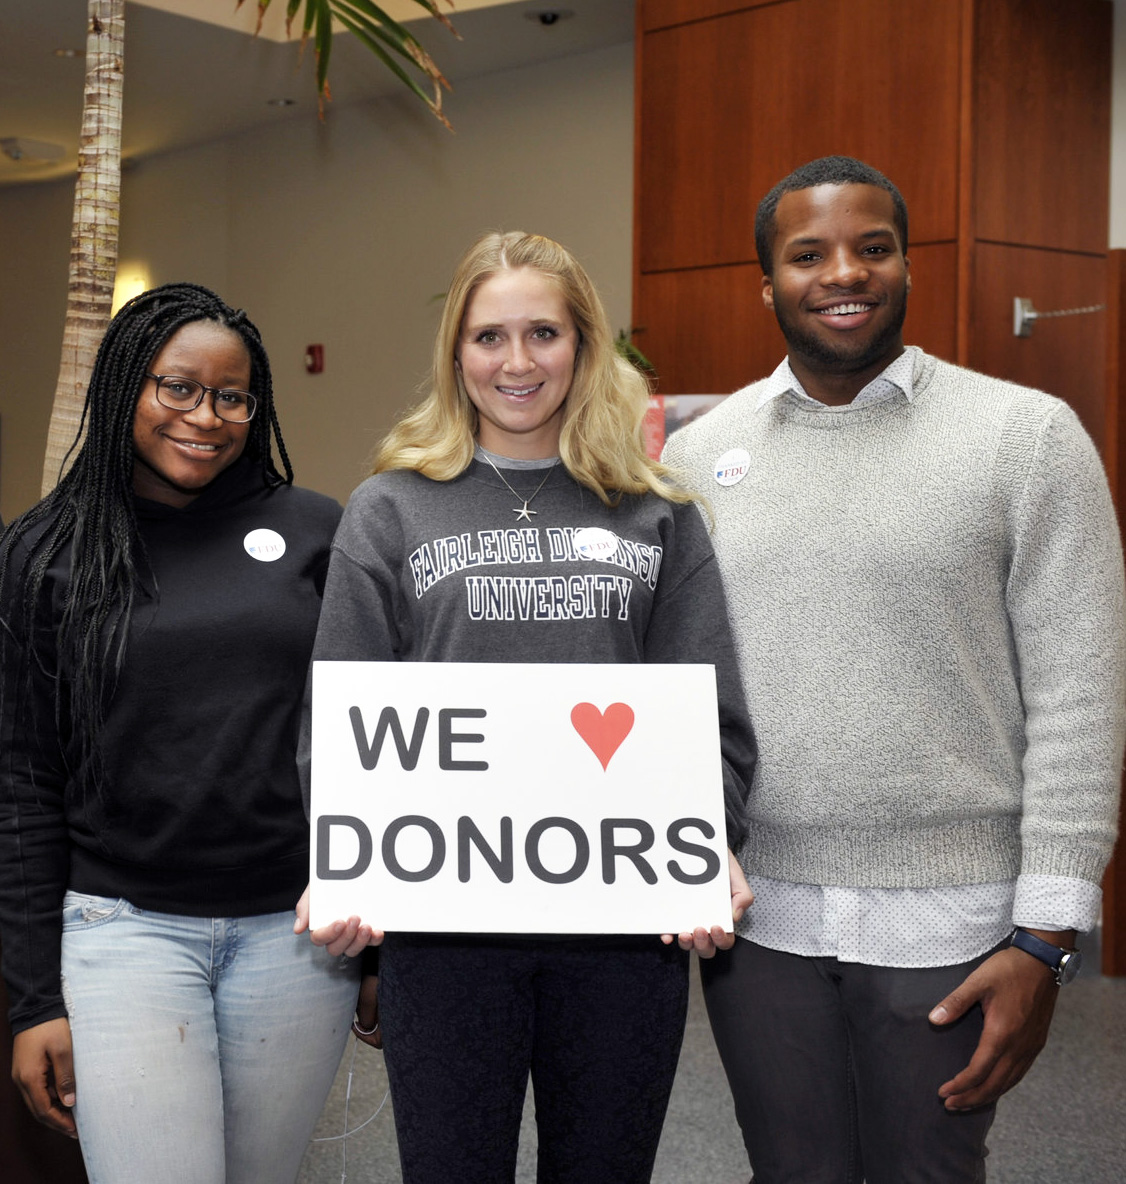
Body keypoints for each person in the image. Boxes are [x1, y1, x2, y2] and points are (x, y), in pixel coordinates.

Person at [661, 156, 1126, 1184]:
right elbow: (670, 683)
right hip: (759, 913)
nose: (844, 272)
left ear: (906, 265)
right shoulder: (698, 457)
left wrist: (1046, 935)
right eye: (808, 253)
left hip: (953, 914)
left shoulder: (1026, 438)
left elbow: (1079, 693)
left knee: (928, 1171)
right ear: (767, 283)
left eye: (872, 248)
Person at [295, 231, 757, 1183]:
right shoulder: (388, 510)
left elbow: (710, 718)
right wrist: (342, 856)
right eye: (488, 336)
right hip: (445, 932)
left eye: (543, 332)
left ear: (584, 346)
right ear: (456, 356)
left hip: (626, 929)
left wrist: (705, 845)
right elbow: (339, 723)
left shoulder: (654, 512)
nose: (516, 362)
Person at [0, 283, 359, 1183]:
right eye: (177, 388)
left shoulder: (317, 531)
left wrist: (382, 936)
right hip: (123, 932)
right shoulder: (45, 552)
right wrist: (31, 1000)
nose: (207, 417)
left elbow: (369, 742)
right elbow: (21, 781)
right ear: (124, 387)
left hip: (296, 936)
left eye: (232, 396)